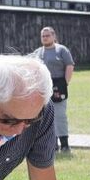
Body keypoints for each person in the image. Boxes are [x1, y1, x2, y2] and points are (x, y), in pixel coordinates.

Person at [34, 26, 75, 155]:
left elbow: (69, 65)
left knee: (60, 115)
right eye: (43, 36)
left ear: (53, 36)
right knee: (45, 117)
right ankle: (52, 145)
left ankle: (65, 145)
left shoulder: (62, 50)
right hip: (43, 87)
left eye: (47, 35)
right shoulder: (38, 53)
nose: (45, 38)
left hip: (59, 85)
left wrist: (65, 82)